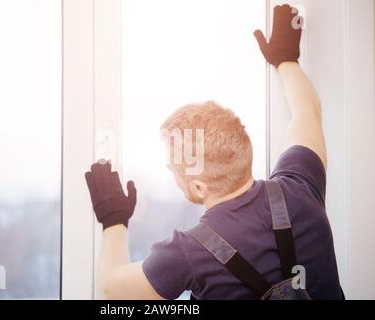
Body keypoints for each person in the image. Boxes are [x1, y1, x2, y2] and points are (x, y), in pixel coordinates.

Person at [85, 4, 342, 300]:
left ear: (198, 185)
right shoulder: (299, 187)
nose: (173, 175)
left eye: (173, 169)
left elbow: (112, 288)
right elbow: (307, 112)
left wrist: (113, 220)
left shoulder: (187, 253)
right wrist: (286, 59)